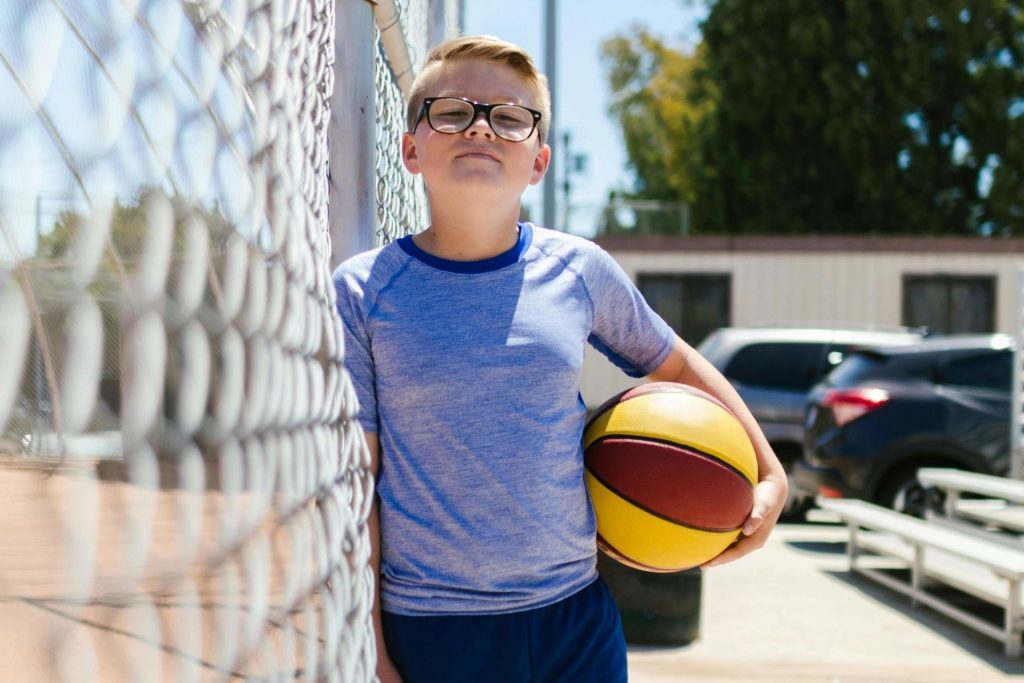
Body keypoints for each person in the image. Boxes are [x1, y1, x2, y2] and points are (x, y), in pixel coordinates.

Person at [333, 34, 788, 683]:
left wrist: (771, 472)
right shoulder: (364, 290)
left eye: (510, 117)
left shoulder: (577, 271)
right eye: (453, 111)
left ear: (539, 160)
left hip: (573, 615)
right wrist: (371, 643)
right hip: (435, 625)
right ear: (411, 148)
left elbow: (678, 366)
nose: (481, 128)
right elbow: (359, 484)